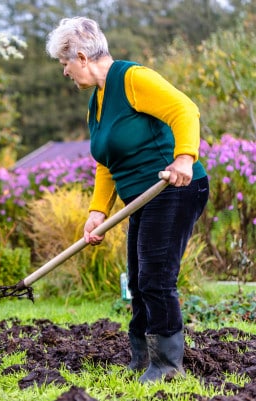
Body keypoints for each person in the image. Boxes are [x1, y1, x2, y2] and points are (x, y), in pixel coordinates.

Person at [46, 17, 209, 383]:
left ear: (82, 57)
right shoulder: (97, 102)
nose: (66, 73)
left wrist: (184, 156)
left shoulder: (133, 79)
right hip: (141, 198)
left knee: (156, 277)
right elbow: (107, 162)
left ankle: (167, 366)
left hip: (174, 189)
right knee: (138, 279)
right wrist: (97, 211)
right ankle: (141, 358)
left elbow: (185, 110)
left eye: (65, 64)